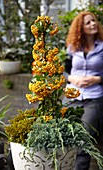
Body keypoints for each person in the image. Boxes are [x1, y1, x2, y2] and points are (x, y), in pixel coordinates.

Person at [63, 11, 103, 170]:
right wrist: (73, 79)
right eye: (88, 22)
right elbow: (63, 71)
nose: (93, 24)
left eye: (93, 21)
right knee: (64, 136)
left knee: (84, 141)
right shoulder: (72, 48)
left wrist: (97, 79)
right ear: (80, 27)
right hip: (72, 97)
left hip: (94, 99)